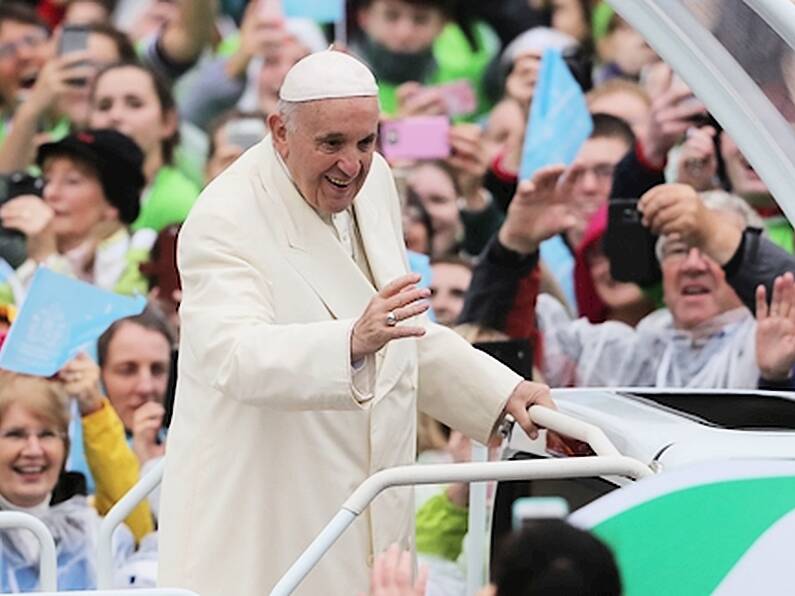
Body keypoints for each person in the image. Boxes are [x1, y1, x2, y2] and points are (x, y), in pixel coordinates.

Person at [158, 50, 554, 596]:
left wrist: (501, 393)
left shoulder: (377, 182)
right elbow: (232, 354)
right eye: (331, 144)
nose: (352, 165)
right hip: (270, 507)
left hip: (365, 496)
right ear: (280, 132)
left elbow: (399, 324)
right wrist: (349, 340)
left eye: (365, 143)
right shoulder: (224, 217)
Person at [0, 367, 141, 591]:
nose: (34, 450)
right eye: (15, 434)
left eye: (47, 434)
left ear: (65, 447)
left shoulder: (98, 538)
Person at [0, 128, 151, 302]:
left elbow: (96, 325)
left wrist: (47, 259)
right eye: (47, 180)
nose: (50, 192)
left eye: (72, 181)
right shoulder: (37, 256)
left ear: (112, 204)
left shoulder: (141, 254)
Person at [89, 62, 200, 232]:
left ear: (167, 121)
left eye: (134, 104)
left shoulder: (180, 203)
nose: (115, 116)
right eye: (104, 106)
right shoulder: (67, 198)